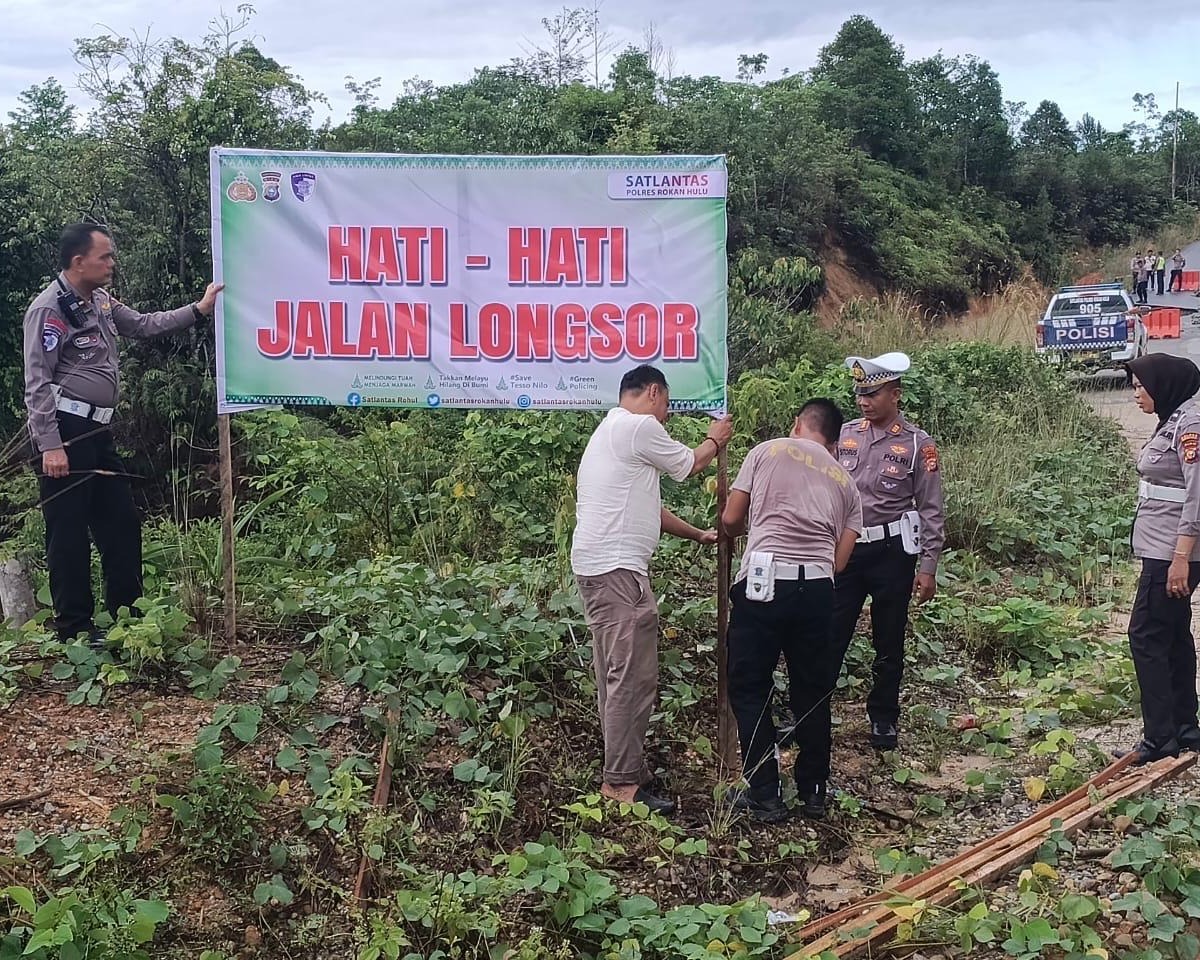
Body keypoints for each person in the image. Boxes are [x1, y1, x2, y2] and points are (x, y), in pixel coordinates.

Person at [22, 223, 223, 645]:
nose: (112, 263)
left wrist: (199, 308)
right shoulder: (49, 310)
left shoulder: (99, 301)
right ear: (79, 262)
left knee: (121, 523)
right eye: (105, 257)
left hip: (98, 430)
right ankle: (74, 628)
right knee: (68, 530)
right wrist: (50, 446)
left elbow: (145, 325)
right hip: (66, 430)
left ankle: (128, 618)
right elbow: (37, 383)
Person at [571, 365, 733, 814]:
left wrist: (697, 533)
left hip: (607, 568)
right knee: (631, 677)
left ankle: (627, 768)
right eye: (665, 405)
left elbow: (649, 508)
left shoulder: (612, 433)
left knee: (618, 674)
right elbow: (688, 464)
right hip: (616, 572)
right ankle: (621, 784)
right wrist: (716, 438)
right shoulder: (637, 426)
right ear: (654, 393)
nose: (664, 416)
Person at [721, 399, 862, 822]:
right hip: (818, 588)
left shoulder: (766, 451)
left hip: (765, 582)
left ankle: (766, 793)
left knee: (749, 686)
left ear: (797, 423)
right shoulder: (846, 484)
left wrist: (745, 529)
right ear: (834, 443)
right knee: (813, 690)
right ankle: (814, 791)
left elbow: (730, 518)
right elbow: (840, 562)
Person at [829, 353, 945, 750]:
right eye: (860, 393)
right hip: (847, 550)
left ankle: (883, 717)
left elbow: (931, 508)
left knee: (888, 637)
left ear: (895, 394)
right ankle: (811, 709)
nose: (864, 401)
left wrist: (928, 567)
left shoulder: (917, 444)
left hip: (893, 553)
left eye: (873, 393)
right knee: (830, 632)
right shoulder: (843, 435)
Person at [1122, 354, 1200, 764]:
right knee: (1171, 635)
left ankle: (1159, 739)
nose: (1136, 392)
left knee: (1146, 635)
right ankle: (1185, 729)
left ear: (1165, 384)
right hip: (1164, 547)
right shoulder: (1174, 417)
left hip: (1171, 551)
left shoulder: (1190, 426)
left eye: (1141, 385)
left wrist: (1181, 558)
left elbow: (1196, 496)